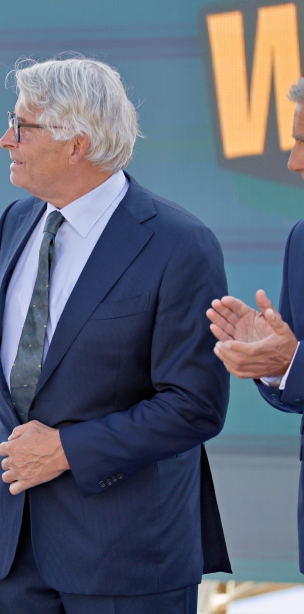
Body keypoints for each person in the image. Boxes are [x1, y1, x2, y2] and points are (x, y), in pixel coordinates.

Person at [0, 57, 232, 613]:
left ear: (76, 144)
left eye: (22, 127)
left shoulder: (180, 244)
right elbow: (0, 359)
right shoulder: (16, 222)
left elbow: (195, 406)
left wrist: (66, 450)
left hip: (131, 562)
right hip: (21, 554)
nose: (4, 140)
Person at [207, 77, 304, 576]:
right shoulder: (301, 240)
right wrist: (272, 364)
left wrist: (296, 363)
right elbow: (297, 377)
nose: (294, 162)